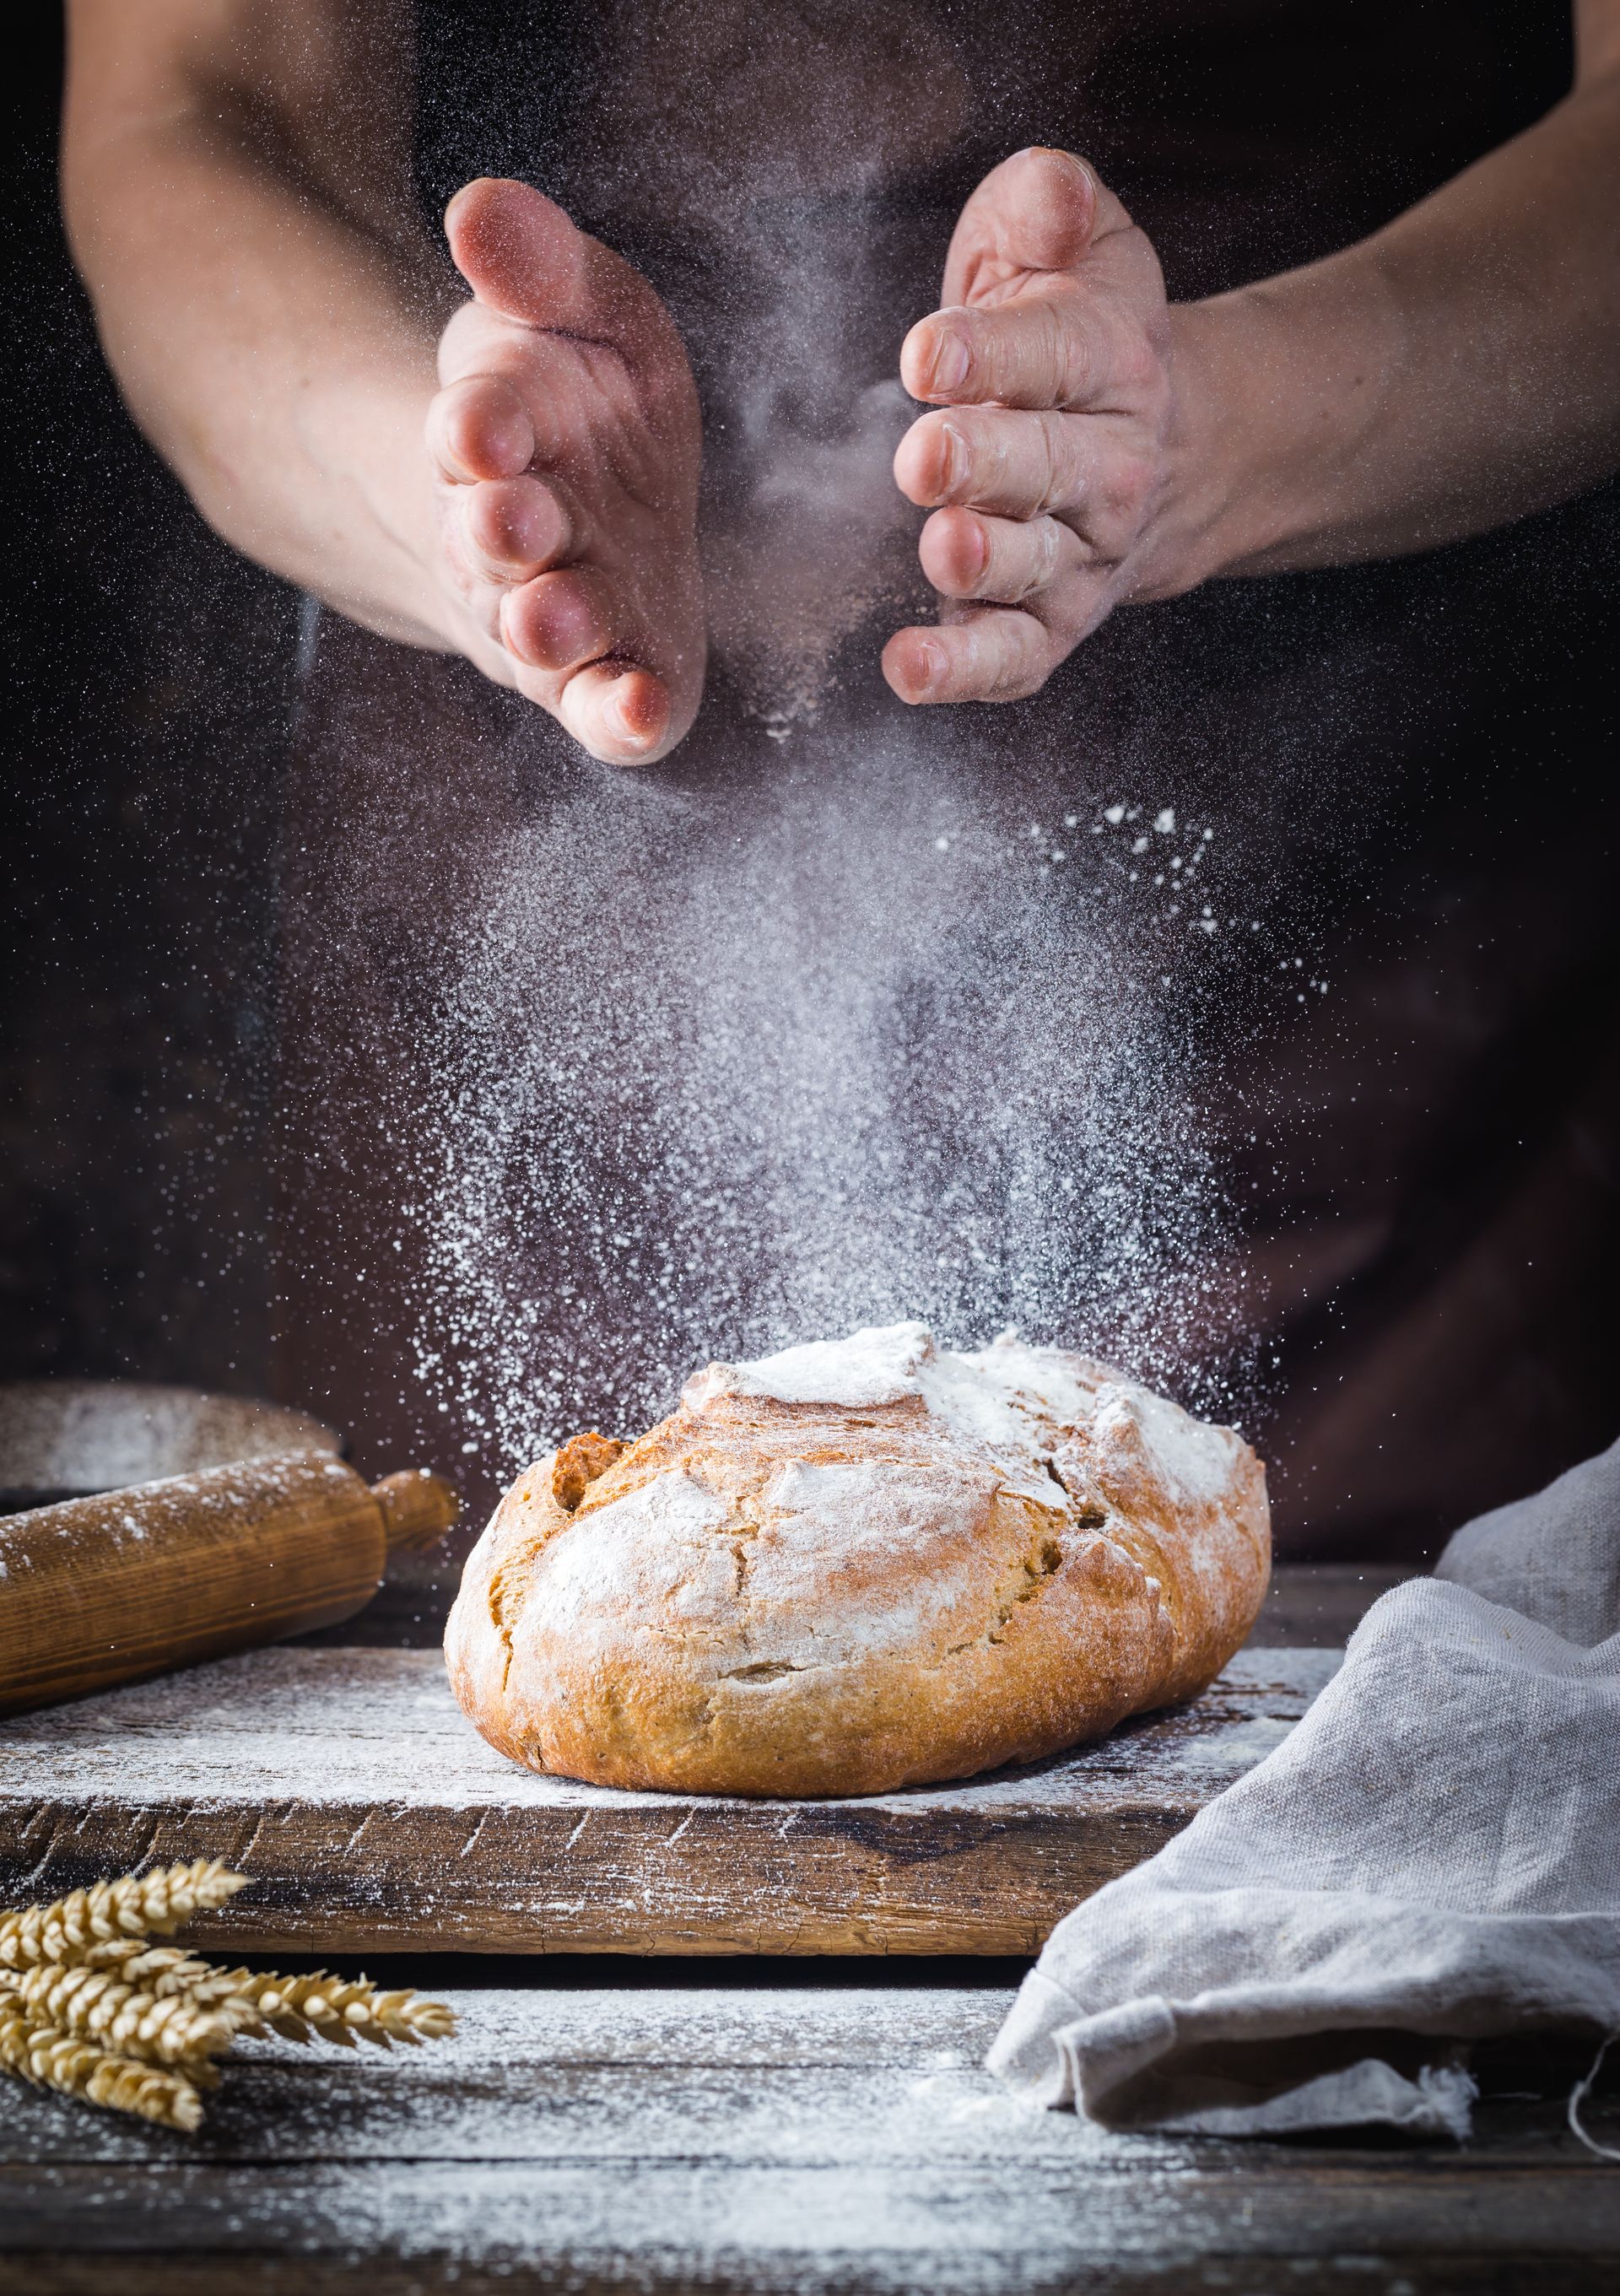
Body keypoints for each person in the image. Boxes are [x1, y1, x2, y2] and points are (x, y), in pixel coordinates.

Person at [57, 0, 1620, 1556]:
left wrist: (1210, 427)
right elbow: (198, 117)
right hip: (525, 879)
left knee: (1365, 1660)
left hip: (1369, 892)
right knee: (560, 1618)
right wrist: (465, 497)